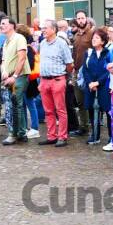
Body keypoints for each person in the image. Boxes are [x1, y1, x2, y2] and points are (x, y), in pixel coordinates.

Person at [37, 19, 74, 147]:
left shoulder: (61, 44)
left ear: (53, 29)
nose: (43, 30)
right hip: (44, 80)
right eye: (43, 28)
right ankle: (51, 136)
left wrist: (65, 77)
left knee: (60, 110)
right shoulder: (42, 43)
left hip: (58, 79)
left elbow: (70, 64)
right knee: (48, 110)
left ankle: (62, 136)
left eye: (46, 28)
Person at [0, 17, 30, 145]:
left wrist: (14, 76)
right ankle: (21, 133)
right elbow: (4, 60)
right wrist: (4, 73)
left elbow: (22, 58)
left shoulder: (19, 38)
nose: (1, 26)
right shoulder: (6, 41)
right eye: (1, 24)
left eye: (4, 23)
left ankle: (14, 134)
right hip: (9, 77)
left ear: (12, 25)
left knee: (15, 104)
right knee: (17, 104)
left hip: (19, 76)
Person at [81, 28, 112, 145]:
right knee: (91, 110)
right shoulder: (88, 53)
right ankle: (95, 134)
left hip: (104, 86)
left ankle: (111, 136)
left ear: (103, 41)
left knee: (108, 110)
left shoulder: (108, 53)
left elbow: (108, 71)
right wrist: (90, 83)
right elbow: (85, 69)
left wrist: (98, 82)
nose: (94, 40)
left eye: (97, 38)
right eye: (93, 37)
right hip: (90, 86)